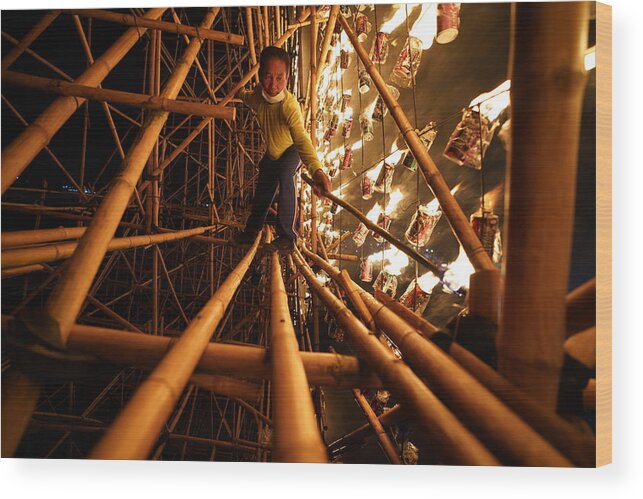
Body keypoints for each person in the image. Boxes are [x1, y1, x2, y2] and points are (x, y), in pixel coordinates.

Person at [232, 46, 331, 252]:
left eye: (280, 78)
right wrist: (237, 91)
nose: (273, 85)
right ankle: (250, 233)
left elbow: (302, 139)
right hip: (272, 153)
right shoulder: (258, 97)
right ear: (260, 76)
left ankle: (287, 236)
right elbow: (246, 96)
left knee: (286, 177)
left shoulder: (289, 106)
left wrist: (317, 170)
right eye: (268, 77)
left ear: (287, 78)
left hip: (291, 150)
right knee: (263, 192)